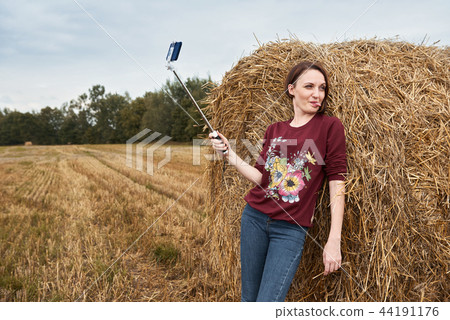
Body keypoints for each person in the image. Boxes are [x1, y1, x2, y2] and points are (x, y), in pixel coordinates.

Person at [209, 61, 347, 302]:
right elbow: (262, 179)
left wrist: (334, 239)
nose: (317, 94)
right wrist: (229, 154)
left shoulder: (329, 127)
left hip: (290, 229)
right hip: (254, 219)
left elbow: (337, 181)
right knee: (248, 301)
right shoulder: (274, 129)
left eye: (322, 88)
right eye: (309, 86)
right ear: (292, 89)